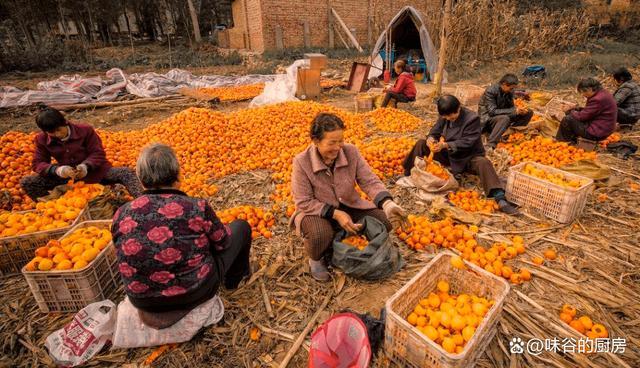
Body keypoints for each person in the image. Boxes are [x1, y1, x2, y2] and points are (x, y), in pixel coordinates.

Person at [112, 143, 252, 329]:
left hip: (142, 300)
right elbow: (223, 242)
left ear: (141, 179)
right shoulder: (196, 207)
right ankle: (234, 281)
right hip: (193, 292)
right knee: (241, 227)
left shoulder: (121, 213)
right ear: (177, 175)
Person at [291, 113, 408, 282]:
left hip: (349, 205)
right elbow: (303, 201)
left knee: (385, 221)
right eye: (332, 142)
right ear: (316, 141)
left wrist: (387, 203)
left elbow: (369, 181)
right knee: (319, 235)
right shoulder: (302, 162)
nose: (338, 147)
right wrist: (336, 214)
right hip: (315, 212)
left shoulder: (350, 152)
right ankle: (316, 258)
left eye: (340, 141)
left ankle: (343, 240)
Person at [402, 95, 518, 214]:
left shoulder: (472, 119)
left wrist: (445, 145)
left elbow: (467, 142)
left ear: (459, 108)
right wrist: (431, 139)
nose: (449, 119)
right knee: (421, 143)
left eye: (452, 116)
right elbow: (435, 131)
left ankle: (499, 197)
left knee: (483, 163)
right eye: (445, 117)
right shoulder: (445, 116)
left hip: (468, 156)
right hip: (450, 155)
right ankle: (408, 173)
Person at [20, 106, 143, 200]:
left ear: (65, 123)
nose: (57, 134)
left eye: (58, 130)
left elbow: (97, 153)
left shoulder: (85, 131)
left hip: (97, 173)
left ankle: (143, 203)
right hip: (68, 179)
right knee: (28, 182)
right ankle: (56, 207)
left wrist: (85, 166)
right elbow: (38, 163)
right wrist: (58, 170)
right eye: (51, 133)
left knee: (126, 173)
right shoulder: (41, 139)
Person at [478, 74, 533, 148]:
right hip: (488, 119)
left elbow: (511, 108)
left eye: (513, 88)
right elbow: (492, 112)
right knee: (504, 118)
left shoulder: (509, 92)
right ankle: (491, 144)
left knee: (528, 112)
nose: (512, 90)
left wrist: (519, 111)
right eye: (511, 88)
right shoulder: (490, 91)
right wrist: (514, 111)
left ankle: (511, 134)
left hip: (502, 116)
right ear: (504, 84)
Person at [556, 78, 617, 143]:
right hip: (604, 129)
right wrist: (575, 108)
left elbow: (582, 117)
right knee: (572, 115)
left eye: (583, 92)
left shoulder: (597, 99)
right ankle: (571, 140)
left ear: (590, 89)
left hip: (597, 133)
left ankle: (563, 143)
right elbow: (591, 111)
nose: (583, 95)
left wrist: (569, 111)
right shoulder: (603, 93)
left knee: (568, 119)